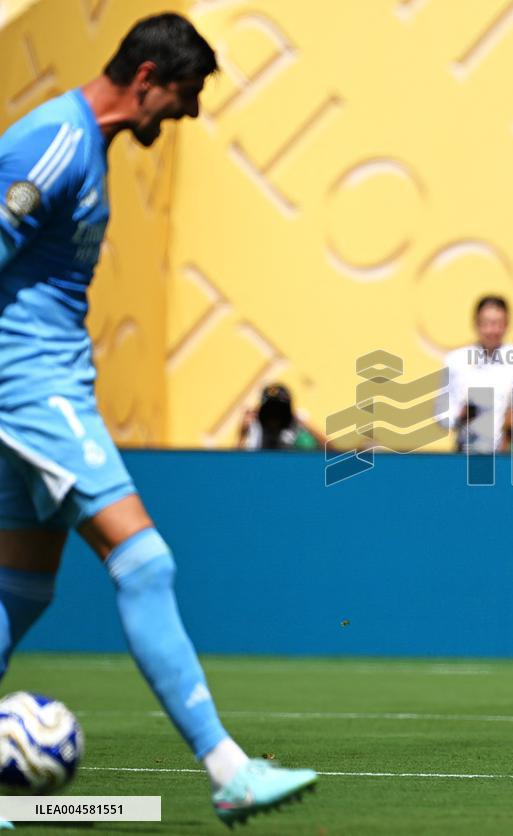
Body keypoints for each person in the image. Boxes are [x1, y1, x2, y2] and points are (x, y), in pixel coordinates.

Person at [0, 14, 316, 825]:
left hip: (42, 389)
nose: (186, 115)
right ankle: (229, 768)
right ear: (145, 77)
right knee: (145, 563)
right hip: (31, 390)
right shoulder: (57, 142)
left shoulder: (85, 148)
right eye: (183, 96)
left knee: (22, 590)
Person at [438, 295, 513, 452]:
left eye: (498, 323)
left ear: (507, 324)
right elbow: (442, 414)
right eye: (486, 323)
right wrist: (460, 416)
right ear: (475, 323)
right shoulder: (456, 361)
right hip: (469, 451)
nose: (492, 330)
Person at [239, 383, 325, 450]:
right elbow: (239, 463)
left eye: (280, 409)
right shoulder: (256, 427)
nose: (275, 414)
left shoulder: (296, 427)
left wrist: (307, 424)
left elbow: (331, 453)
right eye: (270, 409)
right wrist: (244, 430)